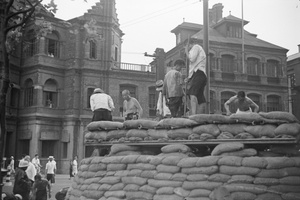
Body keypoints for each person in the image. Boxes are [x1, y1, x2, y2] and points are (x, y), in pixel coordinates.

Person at [185, 38, 207, 115]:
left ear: (189, 44)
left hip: (199, 73)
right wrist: (189, 78)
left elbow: (192, 59)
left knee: (192, 94)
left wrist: (186, 52)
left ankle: (193, 115)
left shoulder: (196, 47)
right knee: (200, 97)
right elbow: (192, 67)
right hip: (200, 74)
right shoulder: (198, 49)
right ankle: (200, 115)